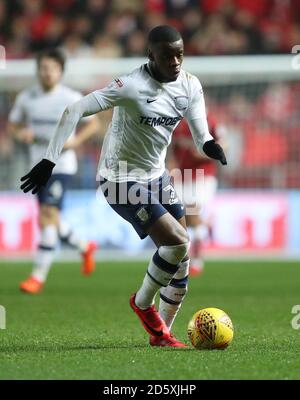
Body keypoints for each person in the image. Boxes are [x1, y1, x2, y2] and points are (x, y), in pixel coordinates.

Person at [20, 26, 227, 347]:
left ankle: (162, 335)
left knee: (182, 256)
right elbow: (74, 109)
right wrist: (49, 160)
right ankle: (143, 304)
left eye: (179, 54)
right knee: (176, 243)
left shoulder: (189, 85)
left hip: (156, 176)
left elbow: (202, 134)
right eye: (167, 56)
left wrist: (211, 145)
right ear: (151, 56)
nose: (175, 61)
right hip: (119, 179)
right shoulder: (130, 86)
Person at [8, 49, 100, 294]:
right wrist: (21, 134)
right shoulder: (27, 98)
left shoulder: (70, 97)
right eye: (43, 68)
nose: (46, 73)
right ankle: (83, 246)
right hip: (36, 167)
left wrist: (75, 142)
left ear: (60, 71)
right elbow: (13, 124)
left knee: (47, 215)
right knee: (51, 219)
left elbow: (94, 123)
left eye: (51, 68)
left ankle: (37, 276)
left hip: (62, 166)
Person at [171, 115, 227, 276]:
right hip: (183, 176)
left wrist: (206, 153)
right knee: (184, 219)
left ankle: (196, 259)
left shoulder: (211, 121)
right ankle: (205, 228)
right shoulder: (177, 121)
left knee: (192, 210)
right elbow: (171, 146)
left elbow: (224, 144)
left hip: (204, 175)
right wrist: (171, 163)